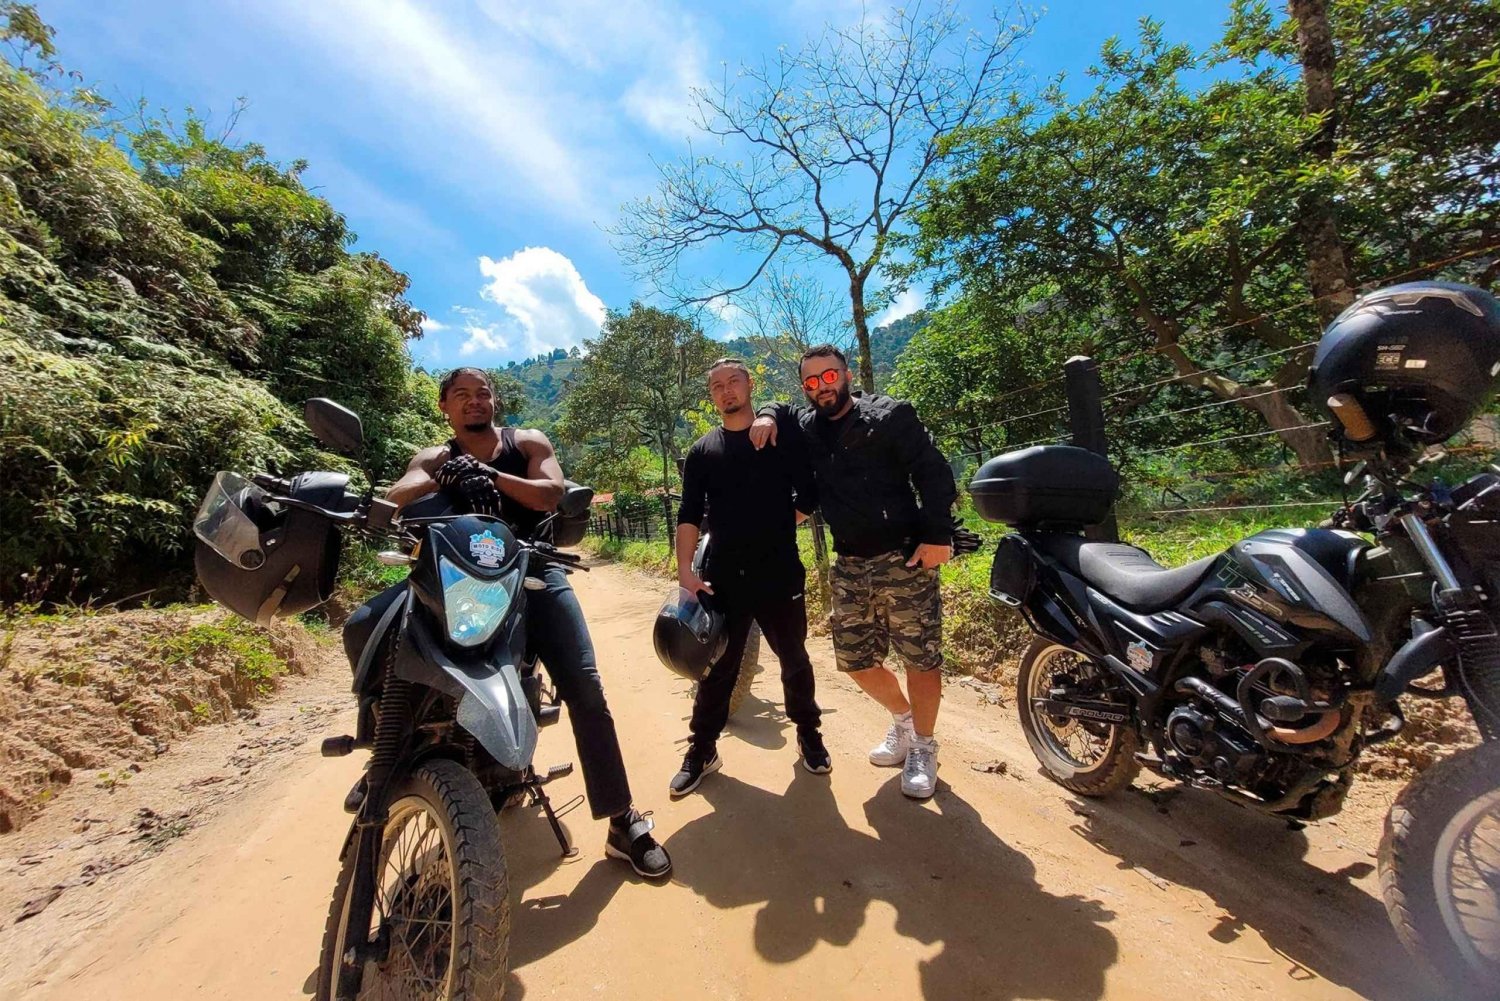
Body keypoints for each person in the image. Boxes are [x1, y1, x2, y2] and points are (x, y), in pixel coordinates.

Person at [365, 366, 672, 879]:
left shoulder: (525, 440)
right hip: (455, 580)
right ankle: (388, 769)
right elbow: (402, 492)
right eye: (461, 395)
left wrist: (488, 476)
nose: (473, 401)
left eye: (482, 392)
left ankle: (622, 820)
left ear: (495, 400)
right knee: (388, 644)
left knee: (585, 686)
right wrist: (410, 488)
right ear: (445, 406)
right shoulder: (435, 455)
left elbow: (550, 492)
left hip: (533, 569)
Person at [751, 345, 957, 800]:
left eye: (829, 377)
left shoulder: (889, 416)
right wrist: (765, 413)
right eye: (811, 382)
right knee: (855, 660)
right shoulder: (807, 426)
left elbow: (935, 474)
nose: (821, 387)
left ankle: (924, 745)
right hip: (848, 563)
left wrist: (938, 535)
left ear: (844, 374)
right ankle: (904, 721)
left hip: (904, 558)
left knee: (920, 657)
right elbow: (781, 411)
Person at [670, 357, 830, 797]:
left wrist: (781, 522)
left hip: (779, 573)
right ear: (712, 396)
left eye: (734, 382)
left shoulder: (779, 437)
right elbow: (689, 515)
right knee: (718, 668)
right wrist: (685, 571)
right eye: (717, 386)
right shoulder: (702, 452)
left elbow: (810, 493)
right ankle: (702, 749)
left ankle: (809, 734)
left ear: (749, 385)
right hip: (723, 578)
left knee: (794, 660)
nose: (726, 391)